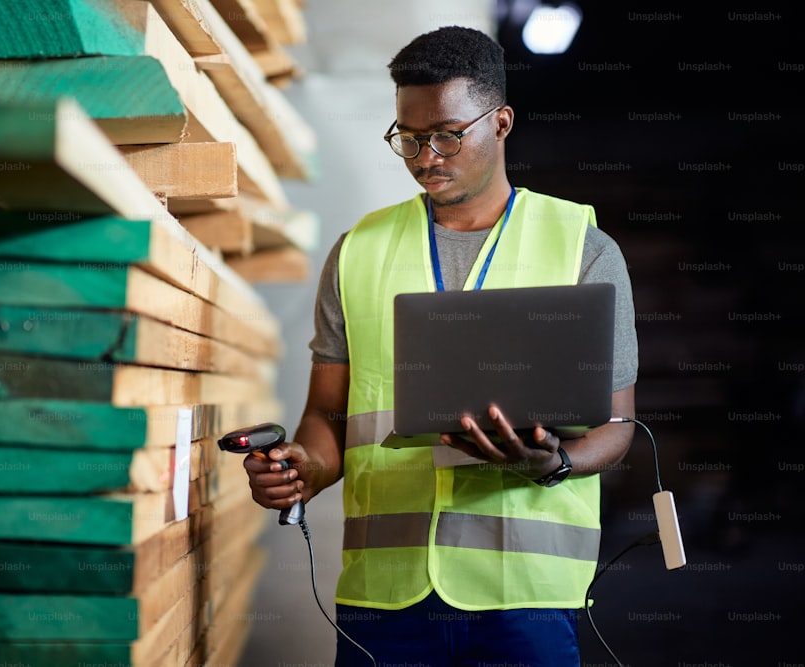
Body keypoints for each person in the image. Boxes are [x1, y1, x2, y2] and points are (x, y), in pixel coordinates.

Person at [244, 25, 639, 667]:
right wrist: (300, 471)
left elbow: (617, 424)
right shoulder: (357, 251)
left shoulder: (582, 247)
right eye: (409, 137)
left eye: (448, 135)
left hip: (526, 600)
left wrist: (556, 464)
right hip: (384, 600)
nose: (426, 157)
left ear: (502, 122)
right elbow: (327, 418)